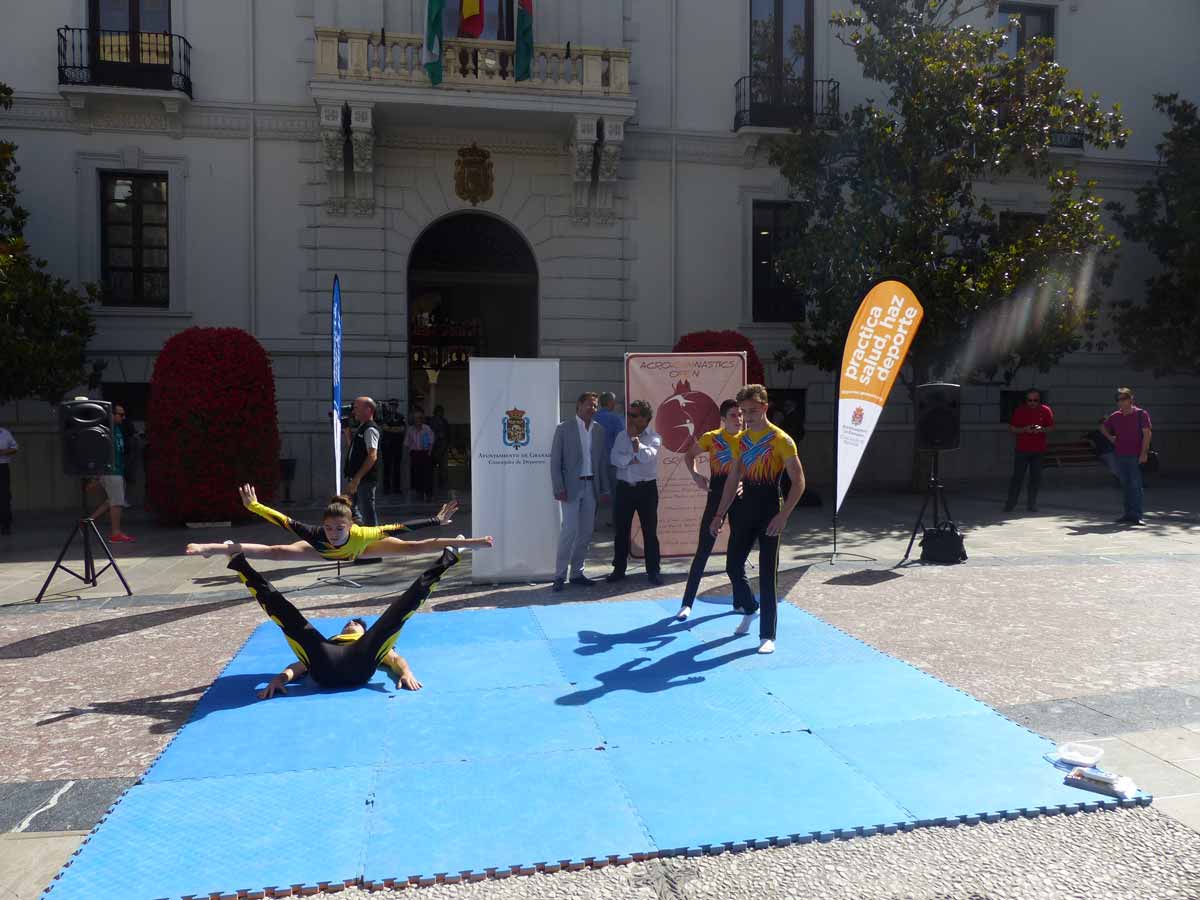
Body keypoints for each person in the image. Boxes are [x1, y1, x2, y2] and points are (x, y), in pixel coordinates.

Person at [228, 548, 462, 696]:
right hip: (325, 667)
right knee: (288, 616)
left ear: (362, 630)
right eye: (347, 624)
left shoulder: (371, 644)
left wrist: (405, 673)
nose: (350, 624)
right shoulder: (328, 643)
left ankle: (448, 558)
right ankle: (240, 565)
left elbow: (395, 660)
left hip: (359, 664)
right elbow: (297, 668)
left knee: (397, 612)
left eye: (356, 624)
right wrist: (278, 680)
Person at [709, 384, 806, 655]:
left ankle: (768, 634)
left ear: (764, 407)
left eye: (752, 411)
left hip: (769, 510)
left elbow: (799, 482)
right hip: (744, 509)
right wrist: (719, 513)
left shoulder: (781, 440)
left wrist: (783, 515)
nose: (747, 417)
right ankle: (750, 608)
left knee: (767, 573)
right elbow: (732, 479)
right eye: (743, 412)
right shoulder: (741, 440)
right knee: (732, 566)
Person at [185, 485, 487, 561]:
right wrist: (254, 506)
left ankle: (469, 543)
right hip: (322, 553)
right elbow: (282, 519)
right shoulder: (317, 535)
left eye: (338, 528)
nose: (332, 532)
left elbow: (402, 527)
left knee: (413, 548)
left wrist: (437, 519)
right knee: (276, 551)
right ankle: (214, 549)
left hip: (361, 550)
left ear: (350, 525)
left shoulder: (363, 532)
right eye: (329, 527)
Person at [677, 399, 744, 619]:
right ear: (723, 420)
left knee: (737, 553)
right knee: (703, 551)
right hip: (716, 496)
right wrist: (696, 475)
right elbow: (688, 456)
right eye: (733, 415)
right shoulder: (712, 438)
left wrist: (747, 482)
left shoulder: (749, 440)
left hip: (740, 499)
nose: (739, 419)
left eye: (741, 414)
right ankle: (687, 604)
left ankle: (739, 601)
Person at [550, 391, 611, 591]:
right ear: (578, 405)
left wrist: (604, 489)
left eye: (595, 406)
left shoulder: (599, 430)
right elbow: (555, 462)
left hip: (591, 487)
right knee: (568, 532)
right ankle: (559, 576)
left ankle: (577, 573)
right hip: (571, 488)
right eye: (589, 405)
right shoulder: (564, 429)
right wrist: (559, 488)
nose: (592, 409)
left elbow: (601, 462)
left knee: (585, 533)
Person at [607, 400, 663, 586]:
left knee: (649, 531)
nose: (629, 419)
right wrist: (632, 458)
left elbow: (647, 457)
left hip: (646, 489)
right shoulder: (621, 435)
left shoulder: (654, 437)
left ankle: (653, 571)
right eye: (628, 415)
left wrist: (634, 443)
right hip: (624, 488)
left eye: (634, 415)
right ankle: (619, 568)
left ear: (646, 418)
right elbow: (614, 458)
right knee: (621, 530)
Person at [1102, 387, 1152, 526]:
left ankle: (1137, 515)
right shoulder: (1116, 416)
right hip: (1120, 454)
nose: (1121, 402)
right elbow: (1103, 427)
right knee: (1125, 485)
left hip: (1135, 455)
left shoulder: (1141, 414)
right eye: (1118, 400)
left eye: (1124, 399)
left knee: (1136, 485)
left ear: (1131, 399)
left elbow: (1147, 434)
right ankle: (1127, 513)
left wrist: (1144, 453)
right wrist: (1111, 438)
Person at [1004, 388, 1054, 513]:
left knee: (1035, 478)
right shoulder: (1020, 410)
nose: (1032, 402)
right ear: (1026, 400)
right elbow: (1012, 428)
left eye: (1035, 400)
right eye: (1029, 400)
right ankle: (1010, 504)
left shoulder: (1045, 410)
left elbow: (1051, 427)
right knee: (1017, 478)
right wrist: (1025, 429)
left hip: (1038, 450)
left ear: (1039, 399)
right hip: (1022, 449)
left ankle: (1032, 504)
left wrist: (1041, 429)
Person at [91, 403, 135, 543]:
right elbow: (100, 453)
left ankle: (88, 522)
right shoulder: (105, 431)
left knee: (112, 501)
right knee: (116, 502)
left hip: (117, 471)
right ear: (111, 414)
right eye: (120, 414)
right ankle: (115, 533)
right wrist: (96, 476)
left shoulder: (117, 429)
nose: (123, 417)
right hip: (112, 472)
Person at [345, 396, 381, 526]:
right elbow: (353, 448)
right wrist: (346, 431)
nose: (353, 411)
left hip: (364, 479)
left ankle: (373, 539)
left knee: (367, 511)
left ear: (368, 410)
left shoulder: (370, 429)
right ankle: (361, 533)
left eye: (356, 408)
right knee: (350, 507)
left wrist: (357, 479)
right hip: (356, 477)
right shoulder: (362, 427)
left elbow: (372, 456)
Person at [594, 391, 624, 523]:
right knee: (616, 494)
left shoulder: (592, 417)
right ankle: (616, 523)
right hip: (611, 463)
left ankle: (590, 524)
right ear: (610, 402)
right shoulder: (615, 418)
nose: (615, 404)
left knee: (593, 493)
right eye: (614, 401)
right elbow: (622, 439)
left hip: (594, 462)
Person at [406, 409, 435, 503]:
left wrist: (429, 453)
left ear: (422, 419)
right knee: (417, 474)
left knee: (427, 474)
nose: (417, 420)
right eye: (415, 418)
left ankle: (429, 494)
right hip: (415, 453)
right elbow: (407, 443)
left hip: (425, 453)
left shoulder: (426, 428)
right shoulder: (410, 429)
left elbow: (431, 441)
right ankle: (419, 493)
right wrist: (410, 452)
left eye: (419, 418)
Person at [378, 400, 407, 495]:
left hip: (397, 445)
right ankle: (386, 488)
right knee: (387, 467)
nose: (393, 407)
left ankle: (396, 488)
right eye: (391, 406)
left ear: (397, 407)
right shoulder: (385, 417)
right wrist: (395, 429)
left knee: (397, 467)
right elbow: (384, 427)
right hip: (386, 446)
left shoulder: (400, 416)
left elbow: (402, 429)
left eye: (395, 406)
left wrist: (391, 429)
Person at [1085, 417, 1121, 483]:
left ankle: (1121, 478)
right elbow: (1087, 438)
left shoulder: (1112, 432)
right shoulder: (1096, 433)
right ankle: (1120, 478)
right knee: (1113, 461)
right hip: (1106, 453)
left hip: (1112, 452)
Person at [0, 422, 17, 535]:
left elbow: (15, 448)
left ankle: (6, 525)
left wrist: (3, 452)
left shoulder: (5, 433)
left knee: (4, 496)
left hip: (2, 468)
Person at [428, 405, 450, 492]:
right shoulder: (431, 421)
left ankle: (442, 485)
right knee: (433, 468)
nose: (440, 414)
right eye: (439, 412)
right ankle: (434, 484)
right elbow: (430, 433)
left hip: (443, 447)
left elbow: (448, 434)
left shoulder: (444, 421)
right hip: (434, 447)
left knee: (443, 468)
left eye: (441, 412)